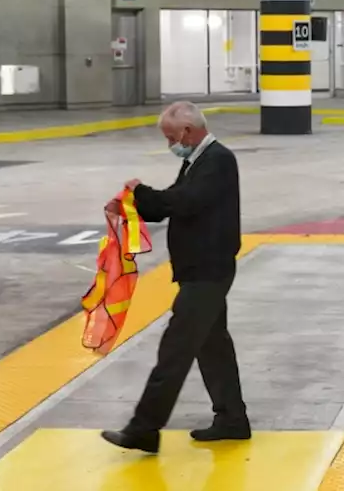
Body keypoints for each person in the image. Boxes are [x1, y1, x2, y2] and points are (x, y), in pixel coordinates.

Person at [101, 101, 249, 453]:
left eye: (171, 137)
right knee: (213, 347)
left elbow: (184, 202)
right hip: (200, 270)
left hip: (208, 273)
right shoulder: (196, 161)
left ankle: (144, 429)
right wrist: (131, 202)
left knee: (175, 351)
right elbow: (169, 204)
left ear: (187, 131)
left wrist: (141, 192)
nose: (170, 144)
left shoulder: (218, 160)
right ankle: (232, 419)